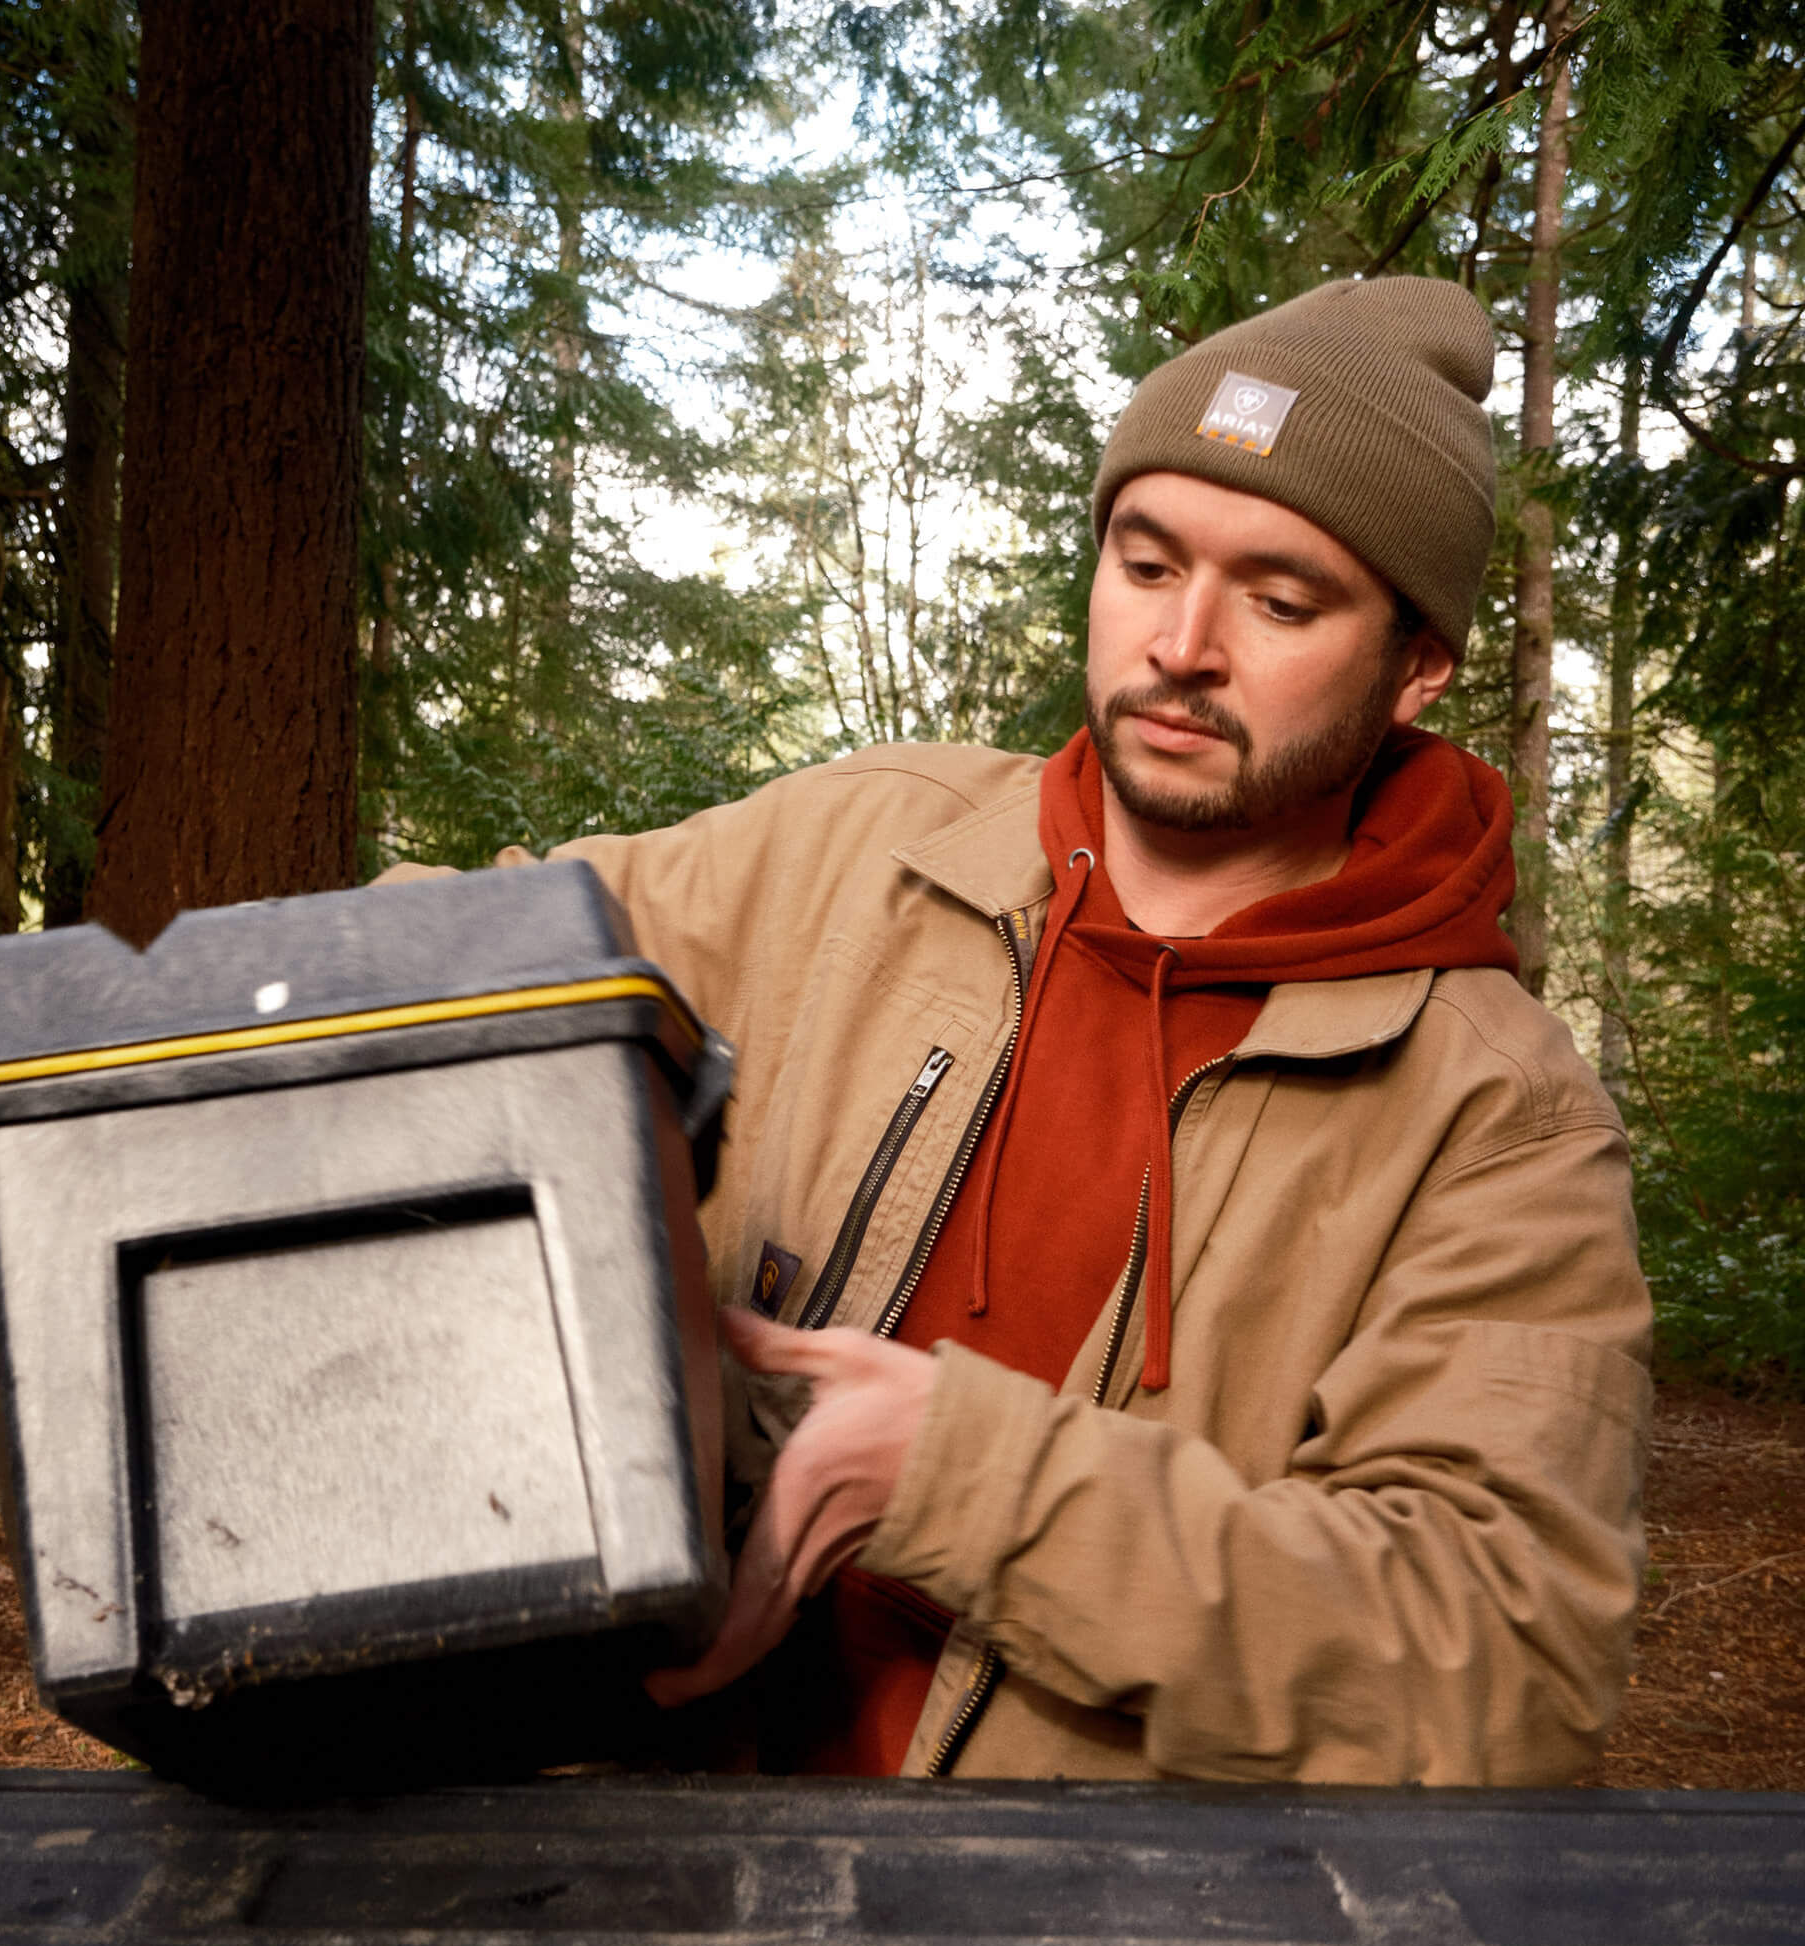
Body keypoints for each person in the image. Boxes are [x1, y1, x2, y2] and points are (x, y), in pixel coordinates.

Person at [392, 276, 1652, 1784]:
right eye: (1147, 562)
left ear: (1417, 667)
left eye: (1280, 602)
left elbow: (1503, 1661)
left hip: (1074, 1896)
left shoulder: (1495, 1116)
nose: (1182, 643)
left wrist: (958, 1480)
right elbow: (439, 968)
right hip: (655, 1832)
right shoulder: (850, 851)